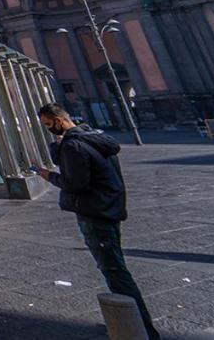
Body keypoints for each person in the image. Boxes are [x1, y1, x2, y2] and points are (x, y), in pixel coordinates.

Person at [36, 103, 159, 340]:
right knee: (115, 267)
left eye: (48, 124)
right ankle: (131, 322)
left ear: (57, 120)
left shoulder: (74, 145)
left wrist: (48, 175)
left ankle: (140, 329)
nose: (48, 128)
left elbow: (74, 183)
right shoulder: (94, 138)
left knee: (115, 272)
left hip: (94, 212)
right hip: (109, 208)